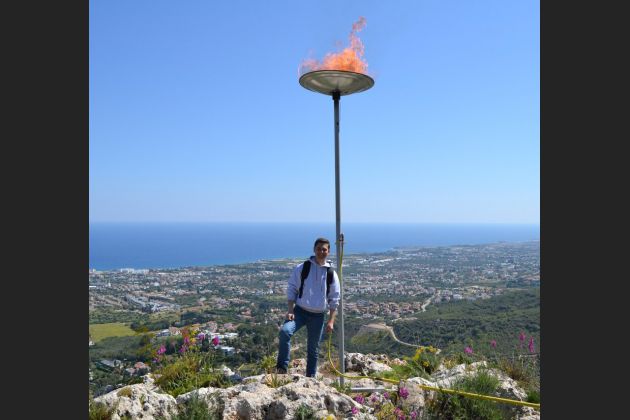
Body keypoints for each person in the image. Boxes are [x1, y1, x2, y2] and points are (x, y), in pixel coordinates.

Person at [276, 237, 340, 377]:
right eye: (319, 249)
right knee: (285, 332)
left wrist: (331, 321)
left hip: (318, 315)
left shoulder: (331, 273)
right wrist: (290, 310)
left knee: (313, 349)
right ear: (314, 250)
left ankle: (310, 377)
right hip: (299, 311)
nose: (321, 252)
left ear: (328, 251)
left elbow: (334, 298)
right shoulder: (303, 268)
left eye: (324, 249)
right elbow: (292, 288)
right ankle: (281, 370)